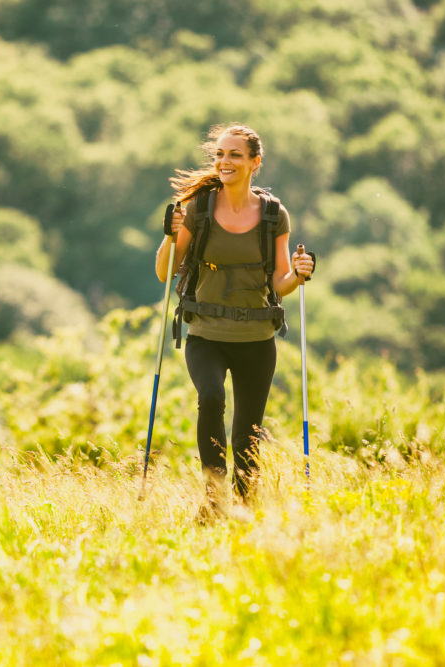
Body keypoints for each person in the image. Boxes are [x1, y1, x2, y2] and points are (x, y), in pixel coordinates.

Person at [154, 123, 314, 520]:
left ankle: (245, 507)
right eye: (220, 155)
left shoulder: (274, 215)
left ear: (254, 163)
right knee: (210, 399)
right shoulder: (200, 209)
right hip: (205, 332)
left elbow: (280, 281)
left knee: (248, 432)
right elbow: (165, 272)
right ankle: (213, 501)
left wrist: (299, 274)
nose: (224, 162)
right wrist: (170, 237)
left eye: (234, 155)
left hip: (257, 337)